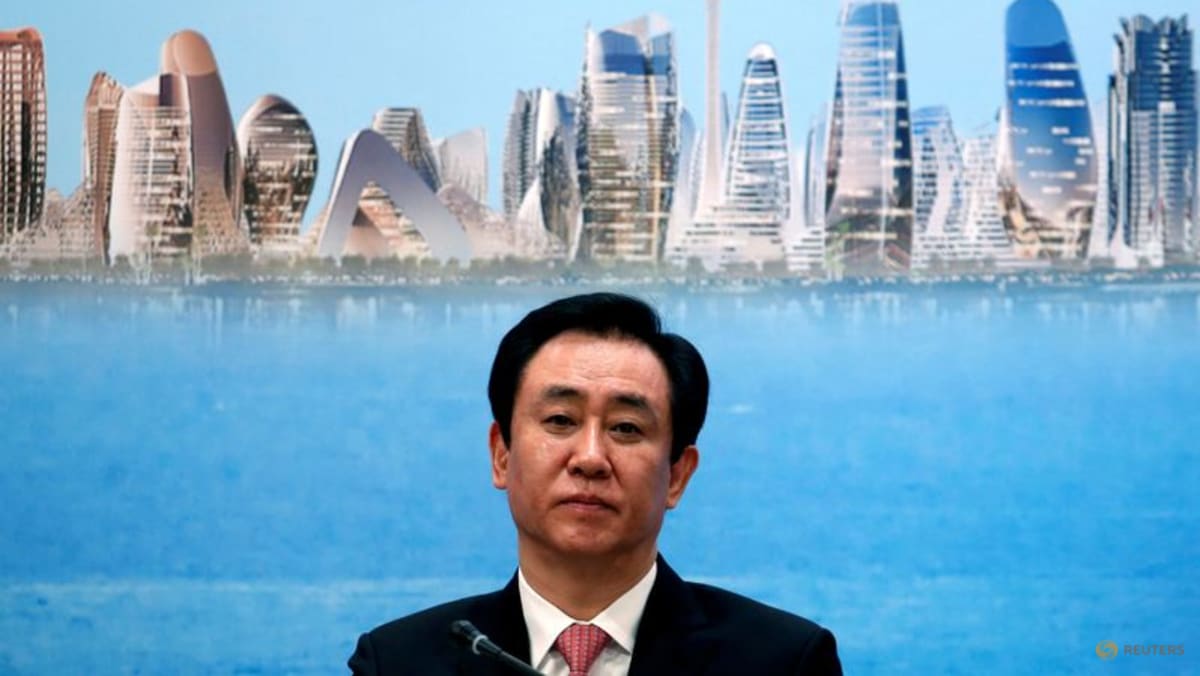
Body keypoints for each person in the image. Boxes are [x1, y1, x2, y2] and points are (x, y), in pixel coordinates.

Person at [348, 292, 841, 675]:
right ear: (501, 455)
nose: (589, 458)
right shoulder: (398, 665)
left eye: (626, 428)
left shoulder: (782, 664)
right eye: (560, 420)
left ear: (677, 474)